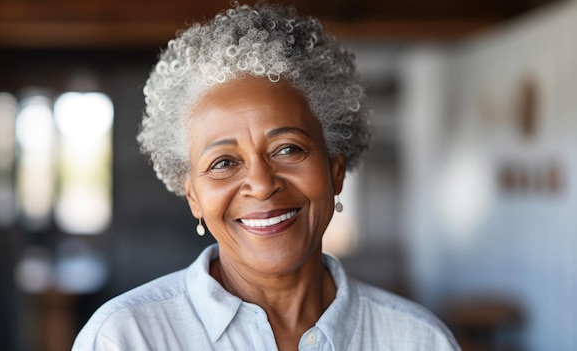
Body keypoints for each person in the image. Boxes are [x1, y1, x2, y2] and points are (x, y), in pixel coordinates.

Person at [73, 2, 460, 350]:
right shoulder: (125, 338)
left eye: (288, 149)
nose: (261, 184)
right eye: (224, 162)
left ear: (335, 171)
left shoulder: (419, 340)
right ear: (192, 196)